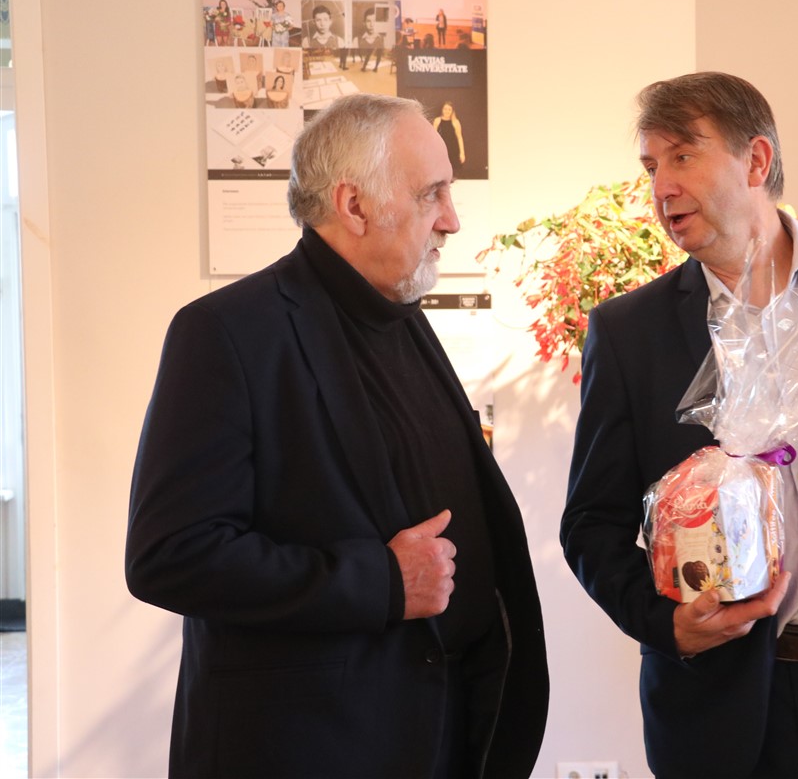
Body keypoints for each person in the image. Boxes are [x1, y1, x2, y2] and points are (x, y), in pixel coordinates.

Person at [126, 93, 549, 778]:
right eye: (432, 194)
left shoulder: (401, 314)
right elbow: (171, 556)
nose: (452, 219)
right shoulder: (226, 333)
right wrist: (381, 582)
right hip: (310, 748)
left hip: (435, 732)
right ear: (354, 206)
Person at [561, 71, 798, 779]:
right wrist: (666, 625)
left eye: (682, 155)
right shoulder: (628, 331)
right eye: (651, 166)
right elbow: (590, 524)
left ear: (756, 161)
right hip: (715, 709)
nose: (661, 186)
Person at [305, 4, 348, 70]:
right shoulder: (306, 41)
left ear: (330, 21)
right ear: (313, 21)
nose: (322, 24)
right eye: (318, 20)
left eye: (325, 19)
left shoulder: (339, 40)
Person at [433, 101, 465, 177]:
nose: (447, 111)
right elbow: (433, 137)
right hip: (441, 148)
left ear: (452, 111)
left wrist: (462, 153)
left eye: (449, 109)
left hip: (453, 149)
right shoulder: (437, 120)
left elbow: (459, 137)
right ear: (442, 110)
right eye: (445, 109)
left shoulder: (455, 122)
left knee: (453, 172)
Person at [353, 8, 385, 72]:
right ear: (364, 23)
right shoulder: (358, 40)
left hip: (379, 43)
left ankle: (375, 68)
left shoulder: (382, 38)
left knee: (378, 55)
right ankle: (364, 67)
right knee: (369, 55)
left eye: (374, 21)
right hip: (370, 45)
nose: (371, 25)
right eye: (368, 21)